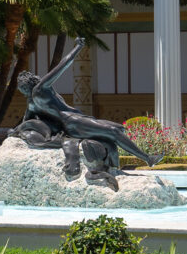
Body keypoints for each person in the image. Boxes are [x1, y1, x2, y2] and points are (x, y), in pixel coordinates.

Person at [15, 38, 163, 171]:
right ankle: (147, 158)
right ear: (33, 81)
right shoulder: (39, 89)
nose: (24, 93)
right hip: (73, 122)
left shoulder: (31, 103)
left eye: (22, 90)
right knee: (114, 131)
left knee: (119, 129)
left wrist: (15, 132)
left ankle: (115, 168)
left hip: (75, 121)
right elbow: (62, 66)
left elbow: (24, 123)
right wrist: (77, 48)